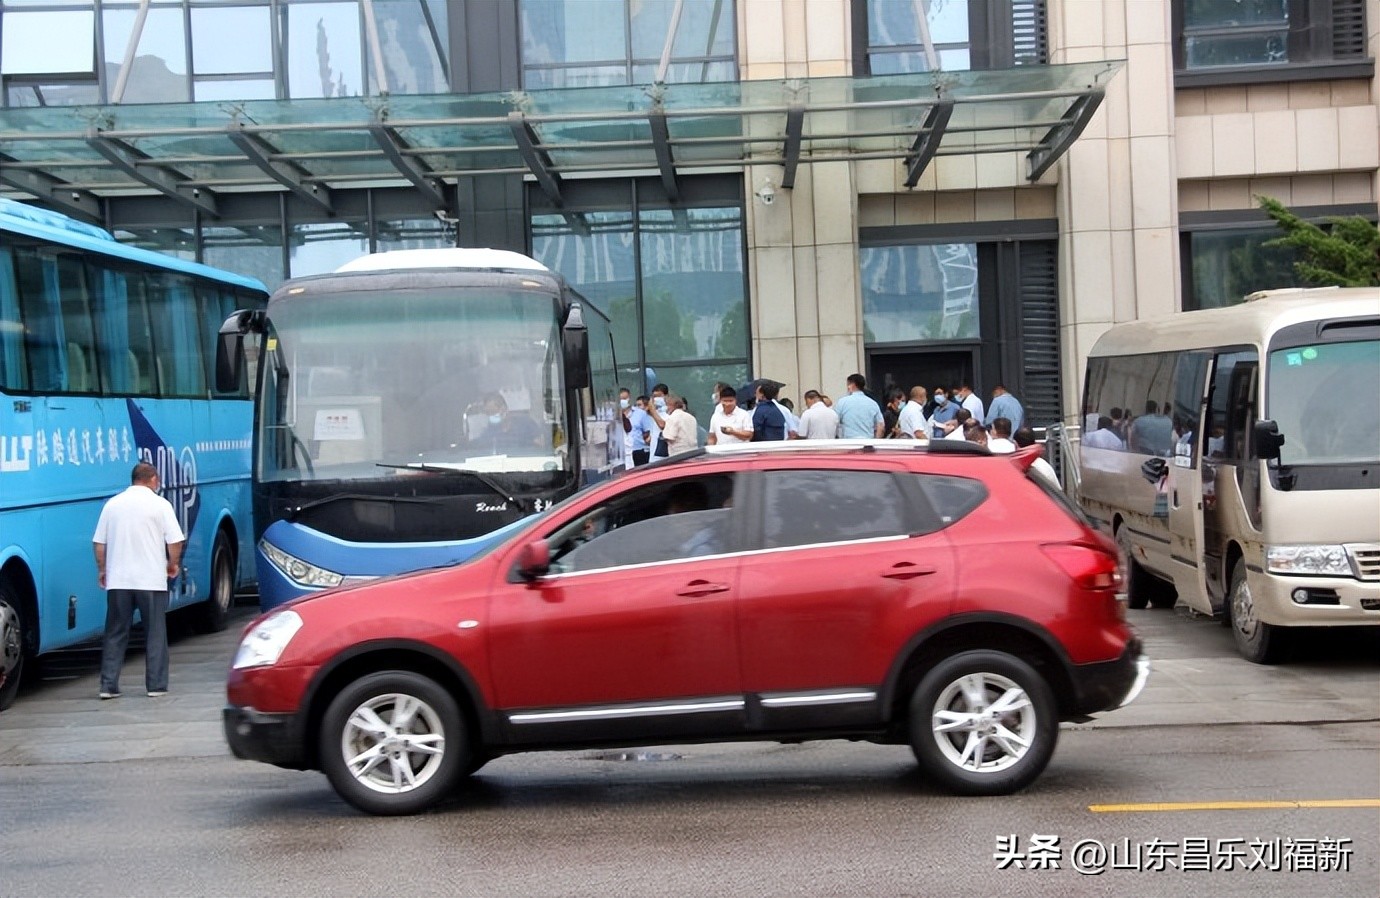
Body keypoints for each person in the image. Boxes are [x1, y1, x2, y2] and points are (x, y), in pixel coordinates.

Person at [92, 462, 185, 699]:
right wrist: (172, 563)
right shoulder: (160, 505)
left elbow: (99, 544)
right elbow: (175, 540)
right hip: (151, 581)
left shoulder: (112, 505)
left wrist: (103, 569)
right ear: (153, 479)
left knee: (115, 632)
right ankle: (155, 685)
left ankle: (108, 685)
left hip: (119, 581)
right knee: (155, 633)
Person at [472, 392, 542, 453]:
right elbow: (481, 450)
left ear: (504, 408)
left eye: (493, 412)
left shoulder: (526, 423)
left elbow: (540, 446)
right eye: (488, 414)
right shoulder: (489, 431)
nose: (491, 416)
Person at [835, 373, 884, 438]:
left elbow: (835, 422)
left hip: (848, 443)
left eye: (848, 385)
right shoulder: (873, 404)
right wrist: (876, 442)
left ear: (852, 385)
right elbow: (881, 426)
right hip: (867, 444)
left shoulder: (842, 402)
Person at [618, 388, 654, 468]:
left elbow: (647, 431)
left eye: (624, 398)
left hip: (639, 451)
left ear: (629, 398)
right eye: (620, 399)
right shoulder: (614, 415)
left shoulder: (641, 413)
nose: (622, 401)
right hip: (623, 454)